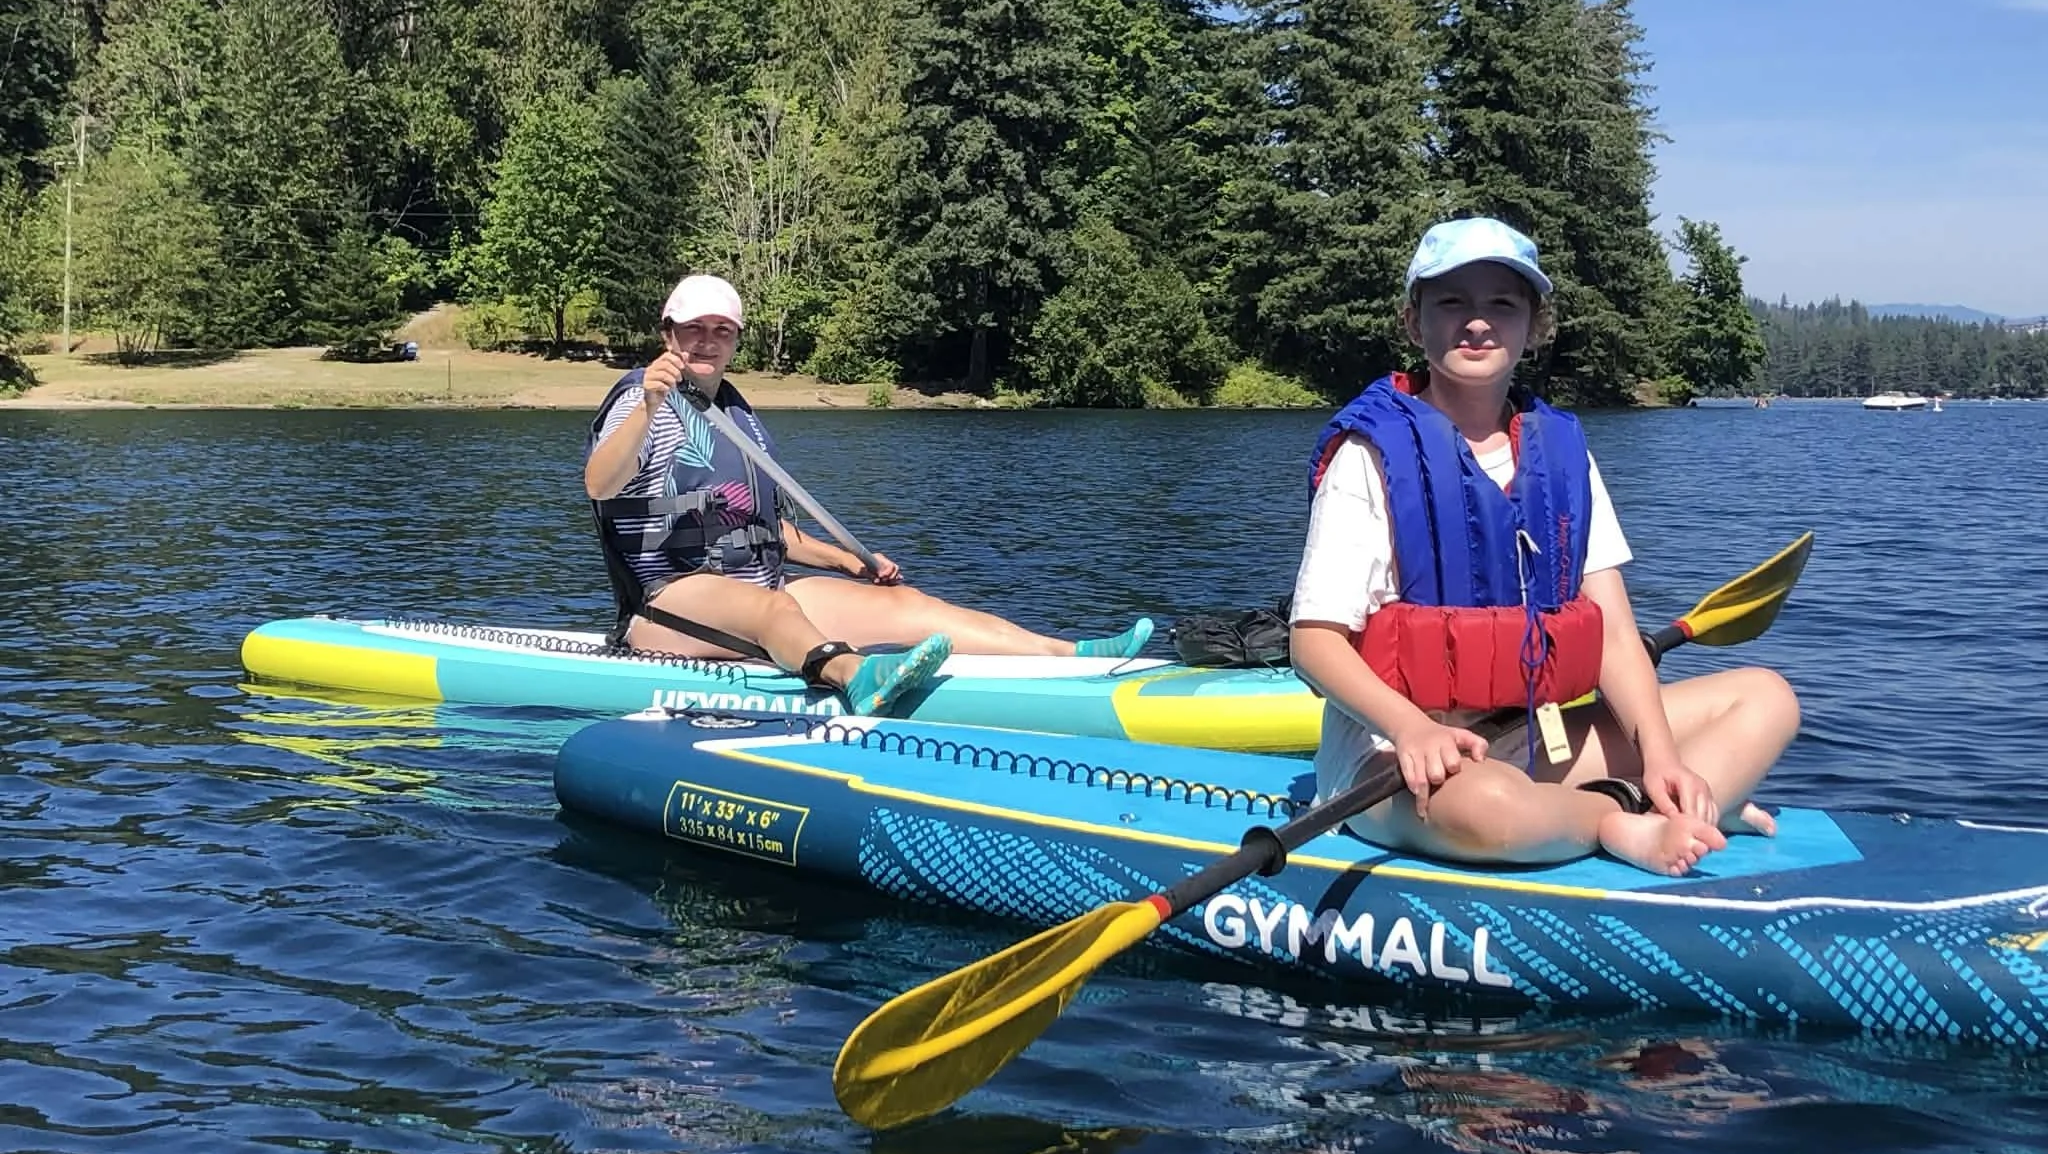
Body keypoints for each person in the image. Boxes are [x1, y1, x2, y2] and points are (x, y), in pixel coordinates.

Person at [1288, 218, 1800, 877]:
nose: (1478, 323)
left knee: (1765, 699)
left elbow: (1614, 633)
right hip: (1399, 758)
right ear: (1414, 323)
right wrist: (1414, 728)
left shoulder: (1561, 454)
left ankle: (1658, 799)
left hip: (1536, 737)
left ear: (1533, 326)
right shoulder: (1367, 457)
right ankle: (1623, 821)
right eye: (1452, 303)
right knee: (1494, 813)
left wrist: (1663, 757)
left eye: (1502, 304)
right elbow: (1313, 643)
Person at [584, 274, 1153, 715]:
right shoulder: (641, 398)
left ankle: (1067, 657)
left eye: (721, 330)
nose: (706, 341)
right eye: (693, 330)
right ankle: (856, 680)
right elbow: (600, 484)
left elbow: (758, 527)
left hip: (759, 585)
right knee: (775, 607)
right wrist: (649, 408)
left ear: (735, 340)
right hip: (665, 601)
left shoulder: (736, 412)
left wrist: (848, 560)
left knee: (905, 607)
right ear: (668, 334)